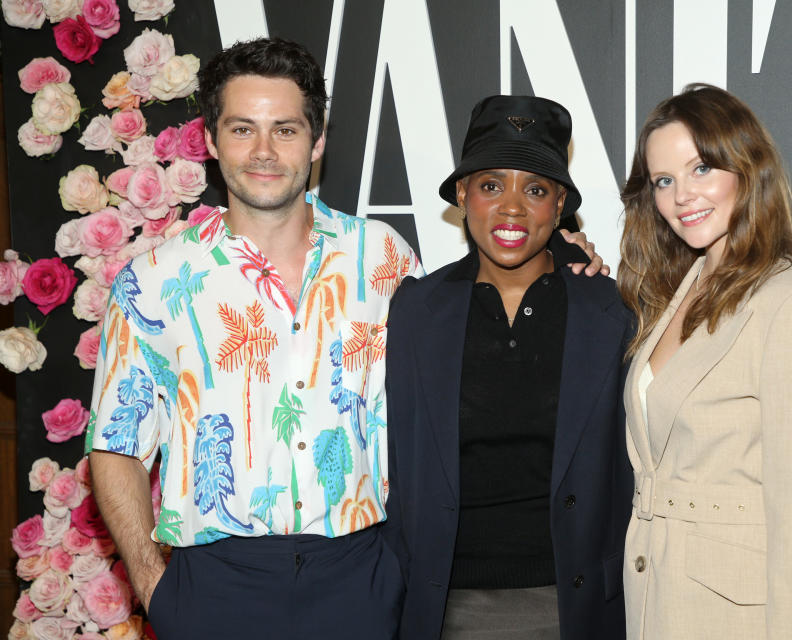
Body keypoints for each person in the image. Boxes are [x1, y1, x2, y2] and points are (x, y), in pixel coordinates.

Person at [87, 39, 605, 639]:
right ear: (209, 139)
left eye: (285, 129)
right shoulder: (153, 282)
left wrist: (566, 252)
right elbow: (115, 444)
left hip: (363, 577)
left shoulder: (384, 258)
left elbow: (484, 298)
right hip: (215, 585)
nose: (263, 151)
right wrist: (156, 587)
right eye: (241, 129)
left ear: (318, 139)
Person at [384, 95, 633, 640]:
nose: (512, 208)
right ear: (463, 195)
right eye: (492, 185)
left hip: (574, 607)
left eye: (536, 189)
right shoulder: (415, 311)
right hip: (447, 607)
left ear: (560, 203)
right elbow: (400, 473)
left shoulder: (614, 311)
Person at [618, 84, 792, 639]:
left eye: (701, 168)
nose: (682, 196)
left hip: (746, 618)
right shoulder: (677, 291)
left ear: (747, 170)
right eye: (663, 181)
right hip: (661, 603)